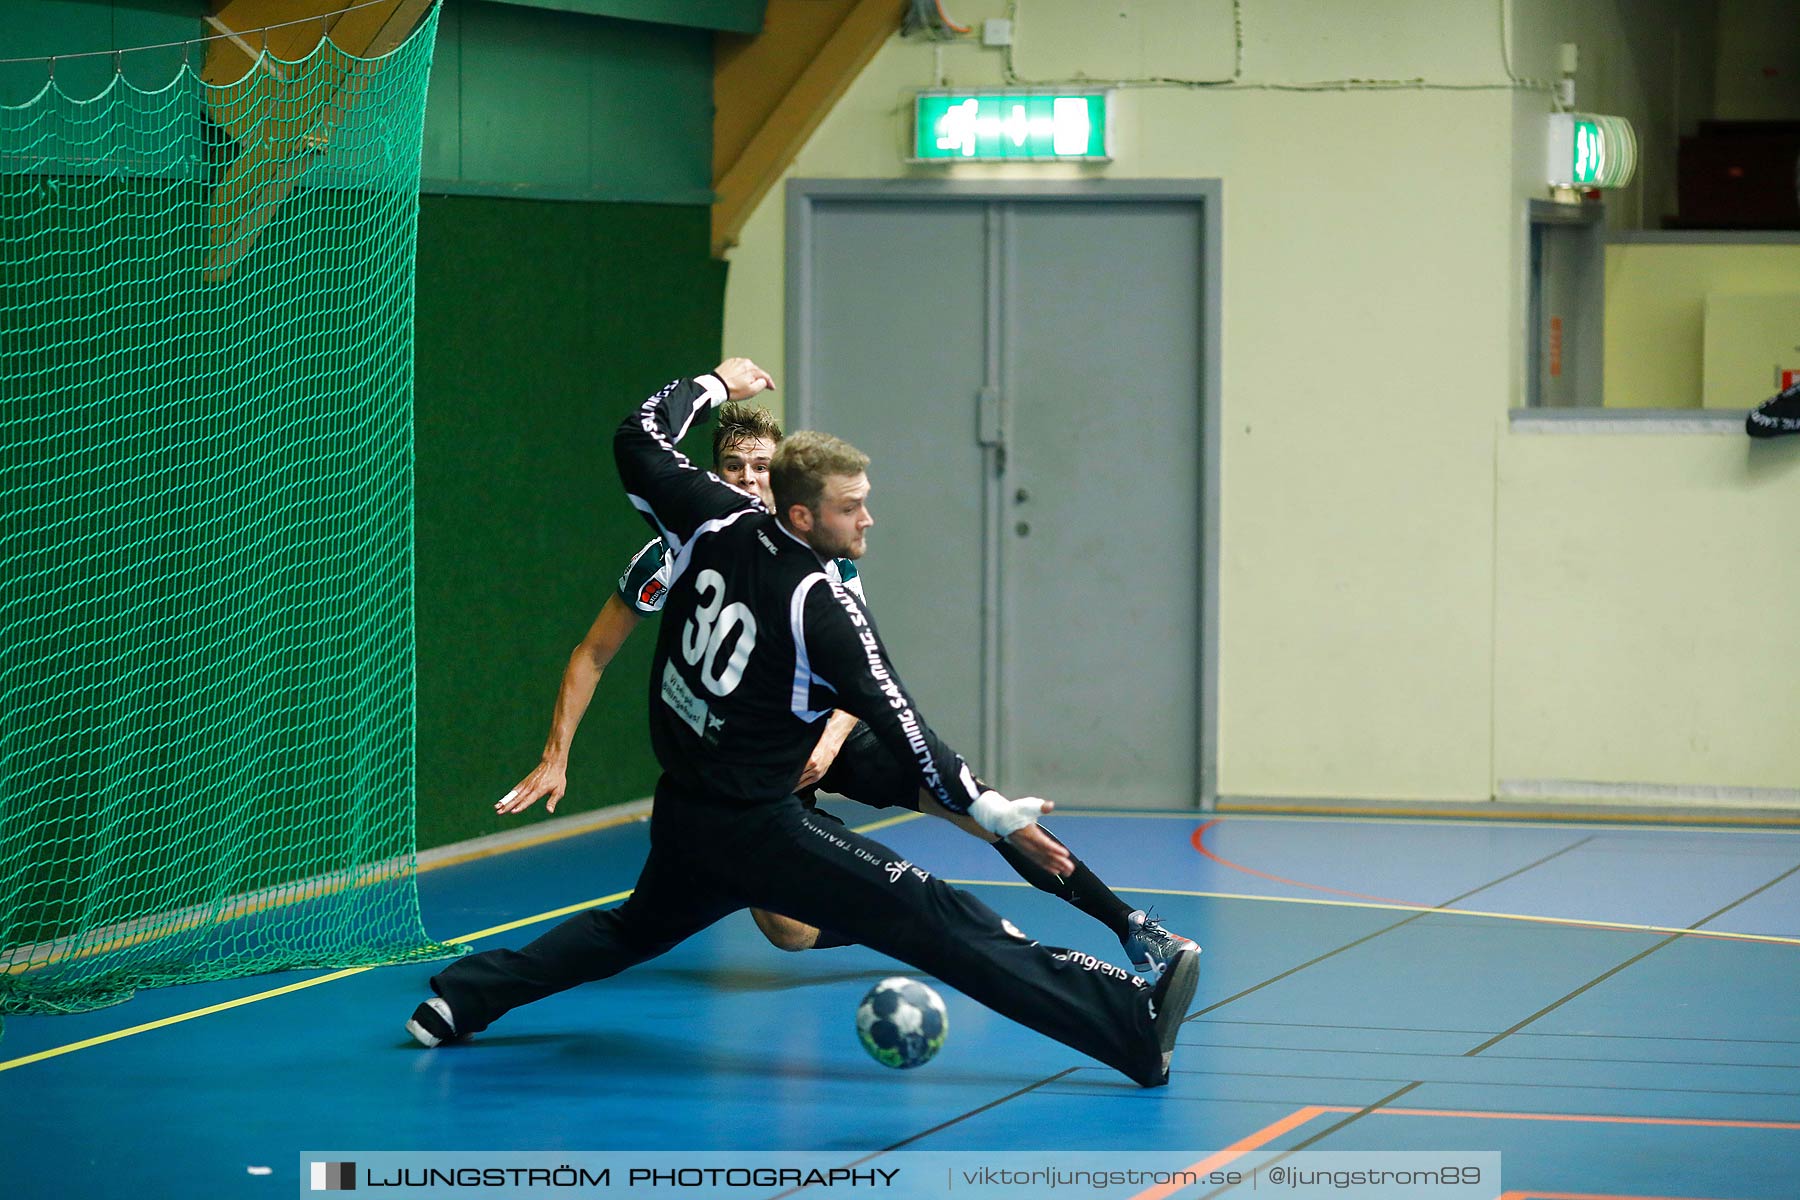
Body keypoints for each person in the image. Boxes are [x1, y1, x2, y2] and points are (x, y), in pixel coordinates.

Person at [406, 360, 1200, 1088]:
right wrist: (988, 810)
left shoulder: (704, 518)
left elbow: (639, 432)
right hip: (759, 823)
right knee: (932, 913)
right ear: (800, 512)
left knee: (628, 932)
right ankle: (1127, 1023)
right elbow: (903, 721)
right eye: (851, 508)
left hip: (689, 807)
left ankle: (461, 998)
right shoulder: (821, 606)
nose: (869, 521)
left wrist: (718, 382)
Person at [495, 401, 1196, 972]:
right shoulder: (681, 550)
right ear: (712, 471)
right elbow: (591, 653)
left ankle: (1131, 925)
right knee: (789, 933)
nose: (746, 479)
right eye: (732, 466)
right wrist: (557, 753)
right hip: (755, 766)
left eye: (760, 467)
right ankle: (918, 931)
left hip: (834, 730)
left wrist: (831, 740)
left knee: (981, 811)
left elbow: (859, 673)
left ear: (783, 483)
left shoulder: (821, 561)